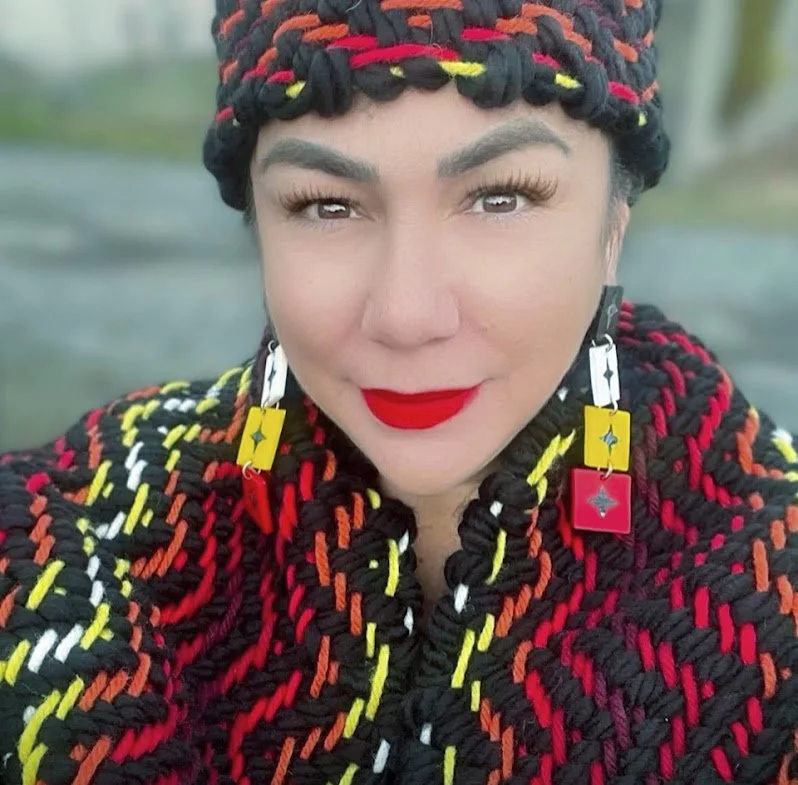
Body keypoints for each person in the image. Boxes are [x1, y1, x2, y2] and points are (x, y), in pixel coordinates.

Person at [1, 0, 796, 783]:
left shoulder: (773, 582)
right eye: (326, 204)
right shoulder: (85, 515)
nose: (407, 316)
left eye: (501, 196)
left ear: (613, 224)